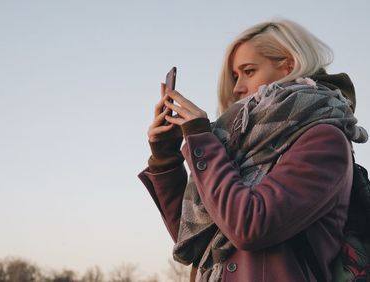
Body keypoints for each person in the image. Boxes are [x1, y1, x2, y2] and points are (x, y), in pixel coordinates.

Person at [137, 19, 368, 281]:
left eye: (248, 71)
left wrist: (201, 139)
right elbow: (192, 235)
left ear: (288, 64)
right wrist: (165, 155)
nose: (237, 87)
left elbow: (249, 226)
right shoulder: (236, 145)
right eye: (235, 76)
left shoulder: (324, 139)